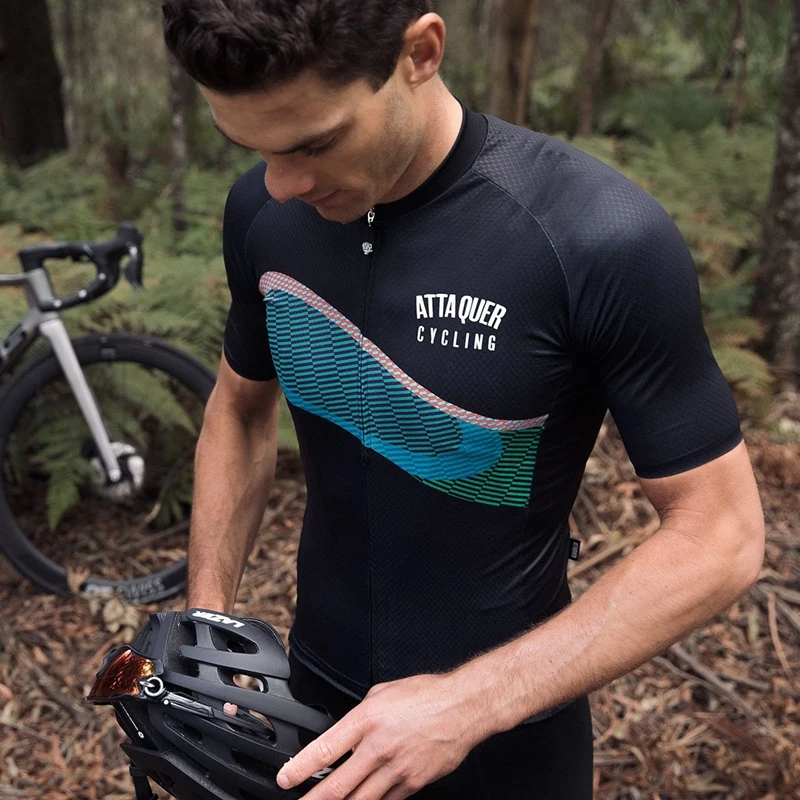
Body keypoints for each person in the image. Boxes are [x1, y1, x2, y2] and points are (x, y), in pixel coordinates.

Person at [161, 2, 766, 798]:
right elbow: (239, 411)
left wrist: (466, 704)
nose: (283, 183)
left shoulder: (595, 235)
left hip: (506, 741)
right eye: (251, 147)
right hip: (309, 704)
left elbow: (721, 534)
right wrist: (208, 630)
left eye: (314, 143)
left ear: (420, 53)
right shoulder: (264, 215)